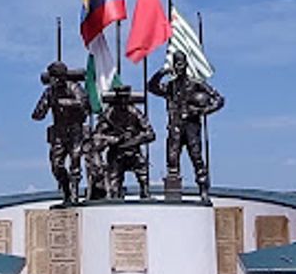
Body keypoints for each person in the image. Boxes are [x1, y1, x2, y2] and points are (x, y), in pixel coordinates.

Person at [148, 51, 224, 200]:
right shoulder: (170, 86)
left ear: (186, 64)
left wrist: (202, 111)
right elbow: (151, 87)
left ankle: (203, 189)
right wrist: (162, 72)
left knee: (196, 157)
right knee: (172, 159)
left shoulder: (196, 84)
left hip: (191, 127)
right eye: (176, 64)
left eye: (181, 63)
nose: (179, 67)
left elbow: (219, 99)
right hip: (175, 127)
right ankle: (173, 193)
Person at [32, 61, 89, 204]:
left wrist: (66, 103)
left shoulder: (74, 87)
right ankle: (66, 191)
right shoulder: (50, 92)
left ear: (61, 77)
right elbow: (38, 114)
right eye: (51, 77)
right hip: (59, 132)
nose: (53, 80)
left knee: (75, 161)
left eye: (55, 77)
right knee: (56, 165)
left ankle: (74, 195)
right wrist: (42, 108)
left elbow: (84, 105)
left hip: (75, 130)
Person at [94, 85, 155, 199]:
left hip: (133, 152)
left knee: (143, 172)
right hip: (116, 154)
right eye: (120, 98)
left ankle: (145, 192)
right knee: (114, 188)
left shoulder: (136, 113)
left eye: (125, 98)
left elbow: (150, 134)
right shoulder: (109, 114)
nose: (123, 101)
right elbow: (97, 136)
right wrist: (113, 139)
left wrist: (134, 139)